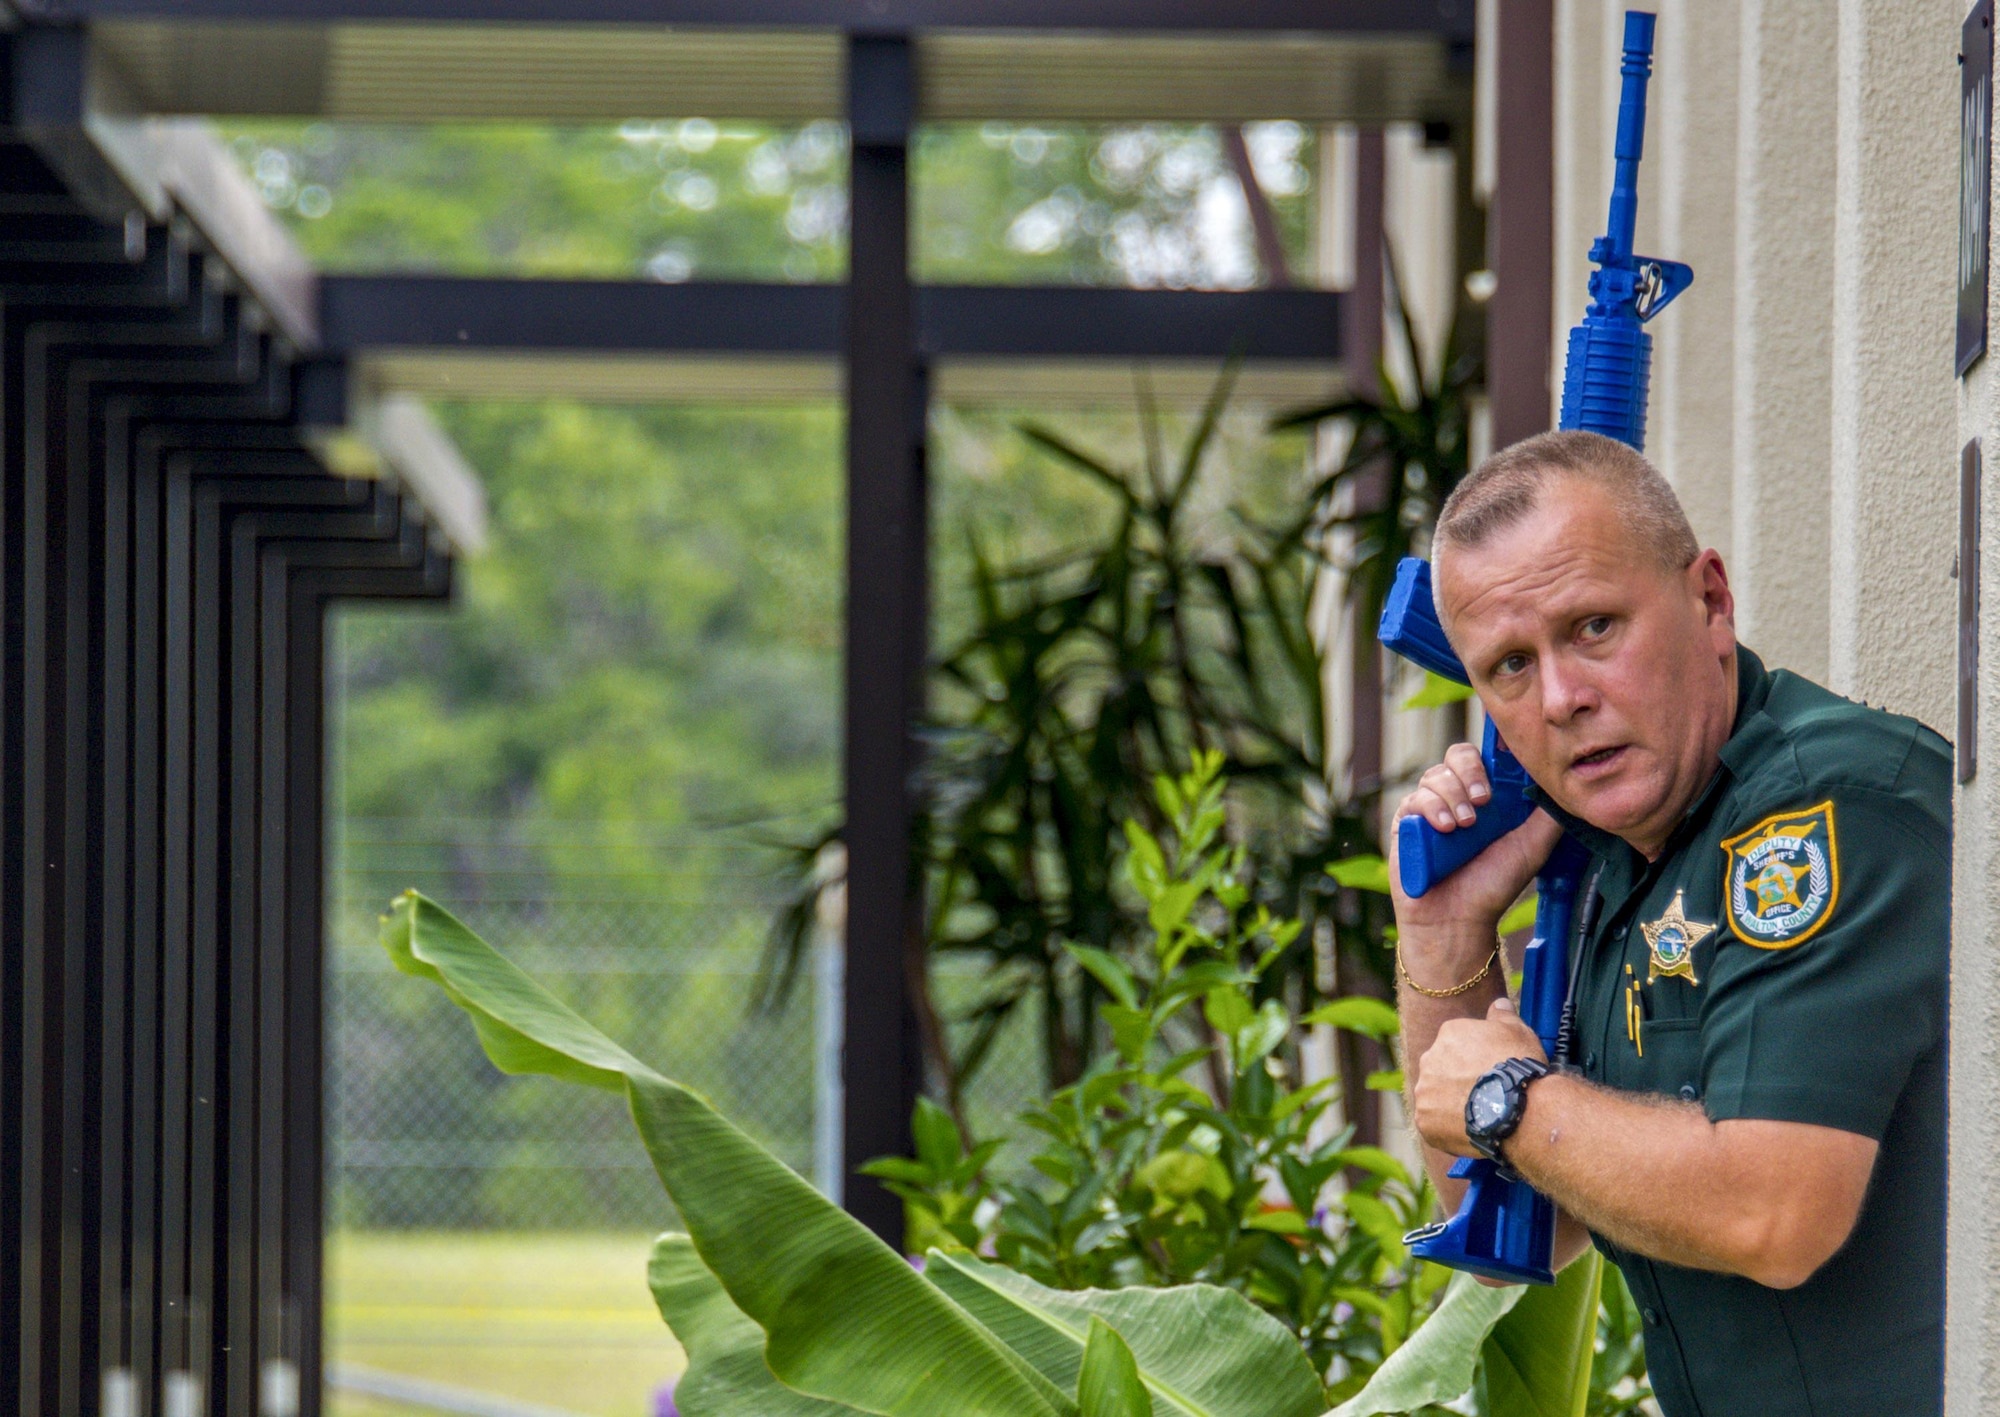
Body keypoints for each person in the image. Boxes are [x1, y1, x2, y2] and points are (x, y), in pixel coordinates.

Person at [1394, 430, 1947, 1416]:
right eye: (1510, 665)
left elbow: (1772, 1211)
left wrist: (1510, 1100)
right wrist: (1444, 933)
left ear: (1709, 601)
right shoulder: (1626, 859)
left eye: (1593, 627)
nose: (1561, 698)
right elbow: (1513, 1227)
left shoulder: (1823, 812)